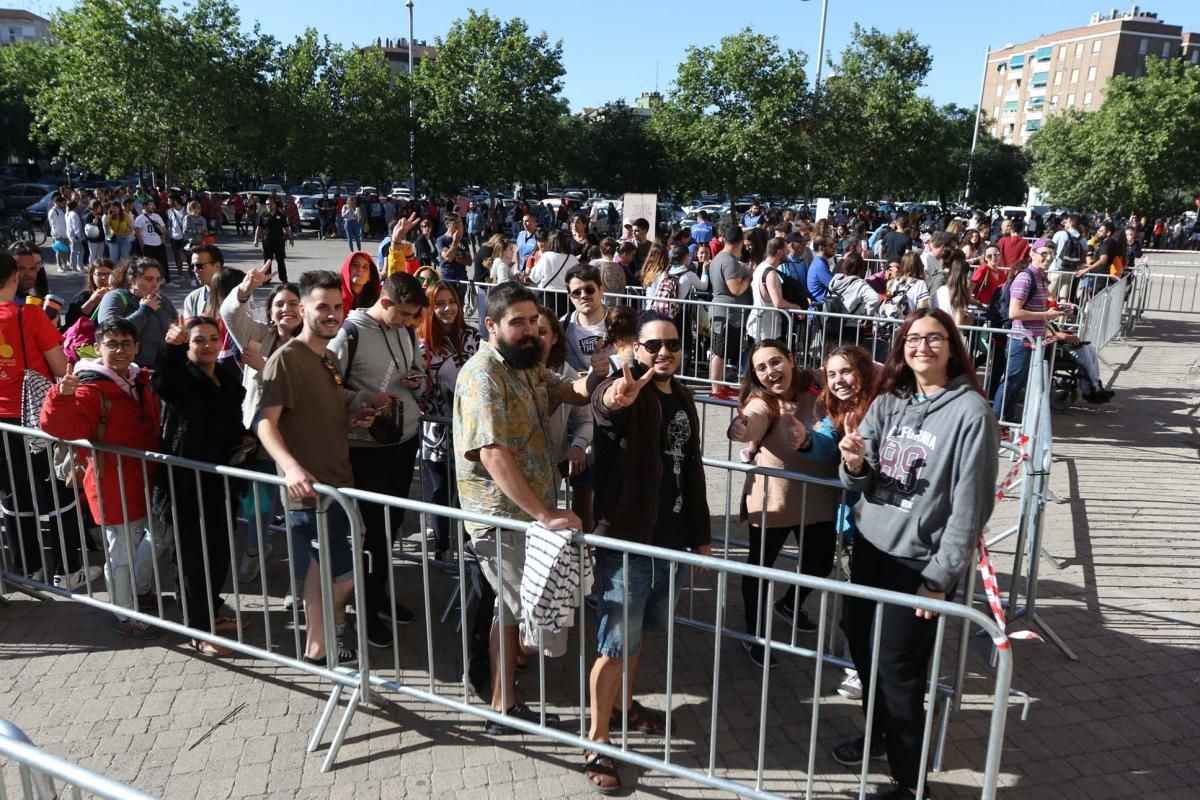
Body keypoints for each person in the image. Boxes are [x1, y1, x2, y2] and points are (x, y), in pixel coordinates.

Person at [835, 308, 999, 800]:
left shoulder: (972, 413)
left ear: (952, 347)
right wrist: (855, 462)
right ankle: (878, 737)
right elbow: (861, 482)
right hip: (869, 547)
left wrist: (939, 576)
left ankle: (909, 782)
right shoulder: (889, 401)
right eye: (912, 338)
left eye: (934, 338)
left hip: (917, 563)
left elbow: (971, 505)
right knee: (862, 651)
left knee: (899, 672)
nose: (921, 346)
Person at [452, 281, 603, 732]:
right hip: (499, 518)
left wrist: (598, 376)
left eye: (533, 321)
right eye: (517, 322)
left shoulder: (528, 364)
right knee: (521, 607)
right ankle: (503, 705)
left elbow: (570, 392)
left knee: (512, 609)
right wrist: (546, 514)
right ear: (491, 325)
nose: (530, 329)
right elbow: (491, 452)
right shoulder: (483, 375)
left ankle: (503, 700)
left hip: (531, 515)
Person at [585, 310, 712, 793]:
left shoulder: (683, 396)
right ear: (636, 350)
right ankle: (597, 741)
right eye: (653, 345)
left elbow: (693, 469)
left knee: (636, 637)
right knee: (614, 644)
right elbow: (606, 404)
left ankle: (624, 705)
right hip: (628, 540)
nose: (664, 352)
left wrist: (700, 532)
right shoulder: (627, 390)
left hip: (672, 540)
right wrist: (619, 390)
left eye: (673, 344)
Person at [255, 270, 386, 667]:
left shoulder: (327, 357)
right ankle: (328, 635)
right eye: (322, 307)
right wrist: (292, 469)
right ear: (302, 310)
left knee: (320, 570)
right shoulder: (287, 360)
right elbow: (265, 423)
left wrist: (354, 416)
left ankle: (318, 648)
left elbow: (317, 413)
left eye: (337, 307)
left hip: (338, 481)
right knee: (345, 574)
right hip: (311, 492)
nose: (331, 314)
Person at [40, 319, 164, 639]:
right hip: (113, 483)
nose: (119, 350)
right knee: (120, 551)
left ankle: (139, 591)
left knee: (159, 536)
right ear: (99, 348)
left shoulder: (141, 379)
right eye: (111, 344)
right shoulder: (89, 387)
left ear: (136, 347)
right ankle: (125, 613)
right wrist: (61, 396)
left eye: (125, 343)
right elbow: (63, 428)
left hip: (149, 480)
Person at [329, 273, 429, 646]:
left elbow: (414, 370)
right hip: (366, 447)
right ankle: (364, 610)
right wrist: (361, 404)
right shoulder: (348, 334)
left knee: (391, 526)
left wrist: (417, 381)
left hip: (403, 441)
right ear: (385, 302)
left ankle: (379, 595)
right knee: (371, 531)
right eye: (403, 314)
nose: (408, 322)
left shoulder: (405, 332)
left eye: (412, 316)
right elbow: (328, 387)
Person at [726, 340, 840, 668]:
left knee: (818, 566)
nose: (770, 372)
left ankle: (790, 604)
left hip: (817, 502)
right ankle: (754, 636)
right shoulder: (762, 401)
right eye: (761, 368)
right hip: (773, 502)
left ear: (791, 359)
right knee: (760, 571)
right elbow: (752, 421)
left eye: (775, 362)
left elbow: (855, 372)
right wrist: (741, 428)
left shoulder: (817, 384)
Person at [152, 315, 249, 656]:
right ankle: (197, 630)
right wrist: (170, 346)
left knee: (219, 552)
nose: (206, 345)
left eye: (211, 338)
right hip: (186, 484)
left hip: (221, 482)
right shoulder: (182, 377)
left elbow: (234, 417)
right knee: (192, 559)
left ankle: (213, 612)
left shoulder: (225, 375)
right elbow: (162, 381)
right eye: (198, 340)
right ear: (188, 346)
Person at [0, 251, 85, 588]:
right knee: (57, 493)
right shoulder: (29, 316)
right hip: (34, 419)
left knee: (13, 495)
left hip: (2, 424)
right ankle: (67, 570)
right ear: (12, 277)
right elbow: (60, 367)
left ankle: (26, 569)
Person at [220, 263, 301, 582]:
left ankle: (301, 579)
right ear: (270, 311)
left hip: (297, 441)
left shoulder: (312, 343)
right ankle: (255, 550)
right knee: (257, 500)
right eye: (279, 304)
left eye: (293, 303)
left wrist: (264, 366)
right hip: (259, 437)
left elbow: (305, 384)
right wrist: (244, 289)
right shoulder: (258, 335)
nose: (286, 309)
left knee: (297, 512)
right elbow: (230, 315)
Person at [417, 280, 480, 561]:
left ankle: (470, 545)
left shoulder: (472, 337)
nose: (447, 308)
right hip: (436, 431)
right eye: (439, 303)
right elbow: (418, 390)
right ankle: (442, 547)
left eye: (452, 302)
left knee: (468, 490)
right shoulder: (420, 344)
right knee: (440, 492)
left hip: (469, 431)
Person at [992, 238, 1066, 424]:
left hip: (1032, 340)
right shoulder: (1026, 277)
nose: (1048, 258)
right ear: (1032, 254)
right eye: (1044, 254)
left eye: (1052, 255)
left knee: (1017, 385)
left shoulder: (1040, 278)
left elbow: (1038, 311)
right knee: (1011, 383)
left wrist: (1051, 318)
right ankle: (996, 423)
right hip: (1020, 340)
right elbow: (1014, 312)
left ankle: (1006, 420)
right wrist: (1045, 315)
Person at [537, 307, 595, 532]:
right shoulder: (509, 371)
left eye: (542, 331)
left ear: (554, 337)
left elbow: (586, 419)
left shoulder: (564, 372)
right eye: (530, 329)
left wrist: (578, 445)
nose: (535, 336)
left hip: (551, 471)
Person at [96, 258, 177, 368]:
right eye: (149, 279)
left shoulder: (164, 301)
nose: (155, 285)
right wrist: (144, 310)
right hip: (128, 369)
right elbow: (110, 332)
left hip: (163, 367)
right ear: (132, 280)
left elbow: (175, 327)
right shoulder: (115, 297)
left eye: (158, 280)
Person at [707, 223, 752, 399]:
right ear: (740, 241)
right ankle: (716, 390)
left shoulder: (719, 258)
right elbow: (736, 289)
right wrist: (749, 276)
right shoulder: (728, 261)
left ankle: (720, 387)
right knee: (719, 352)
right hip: (726, 314)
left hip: (726, 313)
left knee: (722, 352)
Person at [748, 237, 802, 344]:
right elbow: (778, 302)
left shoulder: (760, 267)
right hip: (767, 331)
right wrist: (796, 307)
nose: (788, 253)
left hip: (758, 327)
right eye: (786, 250)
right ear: (780, 252)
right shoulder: (770, 273)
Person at [63, 258, 113, 330]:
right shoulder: (83, 296)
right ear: (92, 276)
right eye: (99, 274)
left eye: (108, 274)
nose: (103, 277)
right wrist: (92, 301)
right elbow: (70, 323)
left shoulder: (121, 295)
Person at [254, 197, 294, 283]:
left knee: (280, 260)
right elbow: (259, 228)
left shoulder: (281, 215)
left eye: (271, 204)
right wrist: (256, 239)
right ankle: (267, 279)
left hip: (279, 241)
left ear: (275, 205)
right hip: (267, 241)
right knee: (267, 260)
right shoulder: (263, 215)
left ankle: (283, 279)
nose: (269, 206)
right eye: (267, 204)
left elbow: (286, 227)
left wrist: (290, 238)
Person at [933, 250, 975, 327]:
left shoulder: (940, 290)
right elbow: (958, 324)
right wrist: (970, 319)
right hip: (950, 333)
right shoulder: (959, 294)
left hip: (937, 329)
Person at [182, 244, 224, 319]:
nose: (195, 270)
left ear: (217, 266)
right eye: (192, 266)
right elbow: (189, 328)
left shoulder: (238, 296)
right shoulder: (192, 298)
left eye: (199, 266)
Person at [133, 198, 169, 282]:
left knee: (163, 263)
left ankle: (165, 279)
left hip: (158, 244)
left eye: (153, 205)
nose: (153, 207)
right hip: (148, 244)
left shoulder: (157, 216)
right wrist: (142, 245)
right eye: (150, 205)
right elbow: (138, 233)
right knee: (148, 265)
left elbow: (163, 229)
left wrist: (163, 241)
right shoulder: (140, 218)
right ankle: (149, 280)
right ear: (144, 206)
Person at [437, 212, 473, 285]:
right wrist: (455, 242)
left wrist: (456, 259)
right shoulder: (441, 240)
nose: (459, 225)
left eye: (460, 222)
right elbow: (448, 258)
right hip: (448, 278)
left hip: (462, 278)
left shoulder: (463, 240)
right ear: (447, 225)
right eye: (456, 223)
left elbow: (469, 262)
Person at [48, 194, 69, 273]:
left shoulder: (61, 210)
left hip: (64, 233)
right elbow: (52, 224)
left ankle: (65, 264)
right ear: (57, 202)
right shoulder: (52, 212)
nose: (64, 205)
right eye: (62, 203)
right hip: (57, 234)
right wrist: (55, 235)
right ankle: (59, 266)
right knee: (59, 250)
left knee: (65, 249)